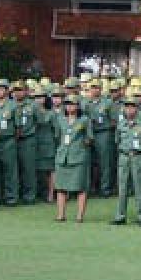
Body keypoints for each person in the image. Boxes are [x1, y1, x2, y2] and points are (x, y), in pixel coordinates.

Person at [111, 94, 141, 226]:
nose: (129, 109)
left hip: (138, 156)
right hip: (124, 156)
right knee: (122, 188)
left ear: (137, 108)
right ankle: (120, 215)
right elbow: (117, 140)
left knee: (140, 187)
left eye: (132, 106)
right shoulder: (121, 123)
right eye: (127, 107)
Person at [53, 94, 91, 223]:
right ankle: (60, 214)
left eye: (73, 104)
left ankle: (80, 216)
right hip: (63, 156)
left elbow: (89, 137)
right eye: (68, 104)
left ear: (78, 106)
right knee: (60, 186)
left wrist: (81, 145)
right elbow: (58, 136)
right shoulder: (60, 119)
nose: (70, 106)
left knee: (81, 187)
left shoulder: (84, 120)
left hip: (78, 156)